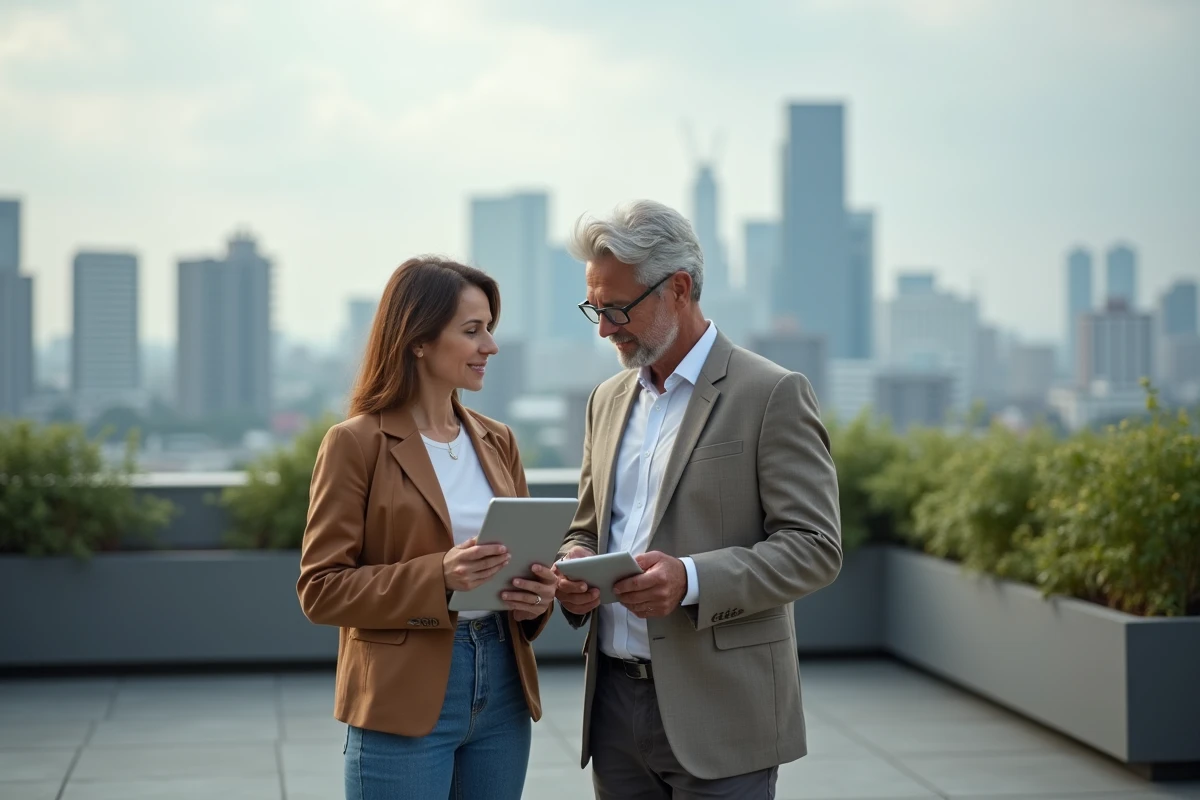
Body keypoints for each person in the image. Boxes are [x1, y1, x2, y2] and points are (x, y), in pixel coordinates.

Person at [554, 201, 842, 799]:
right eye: (595, 310)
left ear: (678, 289)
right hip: (611, 707)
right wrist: (575, 570)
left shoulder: (772, 393)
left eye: (616, 309)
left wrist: (688, 580)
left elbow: (815, 548)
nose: (604, 328)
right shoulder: (606, 401)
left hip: (723, 711)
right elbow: (587, 526)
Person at [297, 256, 557, 800]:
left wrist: (536, 599)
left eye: (490, 328)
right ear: (419, 340)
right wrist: (438, 575)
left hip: (503, 686)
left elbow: (522, 569)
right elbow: (320, 590)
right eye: (472, 331)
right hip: (403, 691)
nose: (490, 346)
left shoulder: (498, 440)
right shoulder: (355, 443)